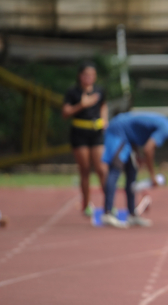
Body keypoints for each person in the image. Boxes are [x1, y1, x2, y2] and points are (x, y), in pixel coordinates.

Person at [100, 112, 168, 228]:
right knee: (115, 170)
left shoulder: (166, 124)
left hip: (127, 136)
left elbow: (135, 131)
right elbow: (148, 149)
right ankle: (107, 213)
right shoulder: (167, 128)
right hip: (119, 131)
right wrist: (152, 176)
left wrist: (137, 155)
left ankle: (132, 214)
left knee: (132, 172)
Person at [62, 61, 108, 217]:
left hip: (96, 133)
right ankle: (86, 205)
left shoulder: (99, 90)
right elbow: (65, 113)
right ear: (80, 76)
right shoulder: (73, 92)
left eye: (92, 75)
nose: (89, 78)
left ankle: (109, 204)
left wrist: (104, 120)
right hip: (79, 133)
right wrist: (81, 105)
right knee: (85, 170)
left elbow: (103, 105)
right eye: (86, 75)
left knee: (102, 169)